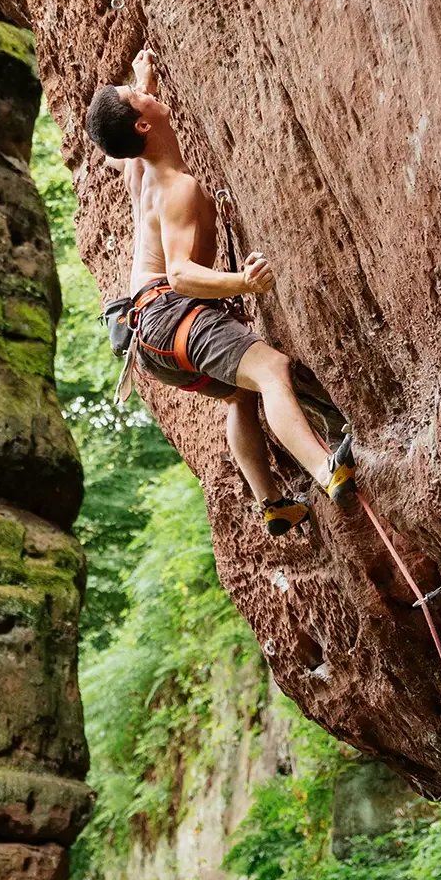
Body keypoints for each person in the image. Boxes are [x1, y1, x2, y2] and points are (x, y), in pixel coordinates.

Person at [86, 47, 356, 536]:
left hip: (149, 341)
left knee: (239, 394)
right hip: (172, 311)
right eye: (135, 95)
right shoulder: (177, 189)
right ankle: (326, 469)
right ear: (142, 126)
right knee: (272, 370)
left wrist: (142, 82)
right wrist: (244, 284)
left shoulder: (141, 171)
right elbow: (182, 274)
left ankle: (272, 503)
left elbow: (122, 136)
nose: (141, 92)